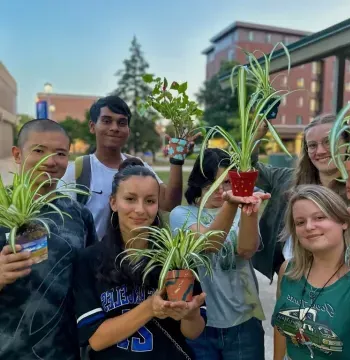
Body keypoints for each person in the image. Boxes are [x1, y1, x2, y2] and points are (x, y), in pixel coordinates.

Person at [73, 158, 206, 360]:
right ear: (113, 202)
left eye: (150, 201)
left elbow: (193, 332)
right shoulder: (88, 260)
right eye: (130, 199)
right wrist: (150, 308)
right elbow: (97, 339)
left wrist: (190, 314)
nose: (141, 210)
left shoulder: (178, 256)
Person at [0, 119, 97, 360]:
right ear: (17, 154)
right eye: (39, 151)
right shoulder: (3, 208)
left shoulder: (78, 215)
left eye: (60, 153)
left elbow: (91, 279)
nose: (50, 161)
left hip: (63, 352)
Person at [169, 148, 270, 360]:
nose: (220, 190)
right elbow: (209, 243)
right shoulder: (181, 215)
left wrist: (248, 210)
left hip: (243, 322)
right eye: (212, 183)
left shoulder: (241, 211)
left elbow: (246, 250)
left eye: (226, 182)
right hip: (200, 323)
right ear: (198, 182)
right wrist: (233, 202)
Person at [59, 96, 195, 240]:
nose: (114, 128)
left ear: (128, 130)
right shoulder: (77, 171)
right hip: (93, 260)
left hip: (135, 258)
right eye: (106, 121)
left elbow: (169, 204)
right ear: (92, 126)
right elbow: (62, 226)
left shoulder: (138, 166)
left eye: (121, 123)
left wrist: (176, 160)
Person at [251, 114, 350, 282]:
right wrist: (255, 137)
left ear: (347, 143)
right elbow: (247, 168)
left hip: (341, 282)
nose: (320, 151)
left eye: (328, 141)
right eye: (312, 145)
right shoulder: (288, 180)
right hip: (292, 276)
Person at [273, 185, 350, 360]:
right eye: (300, 222)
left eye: (319, 217)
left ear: (344, 221)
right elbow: (281, 328)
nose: (309, 227)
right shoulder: (289, 270)